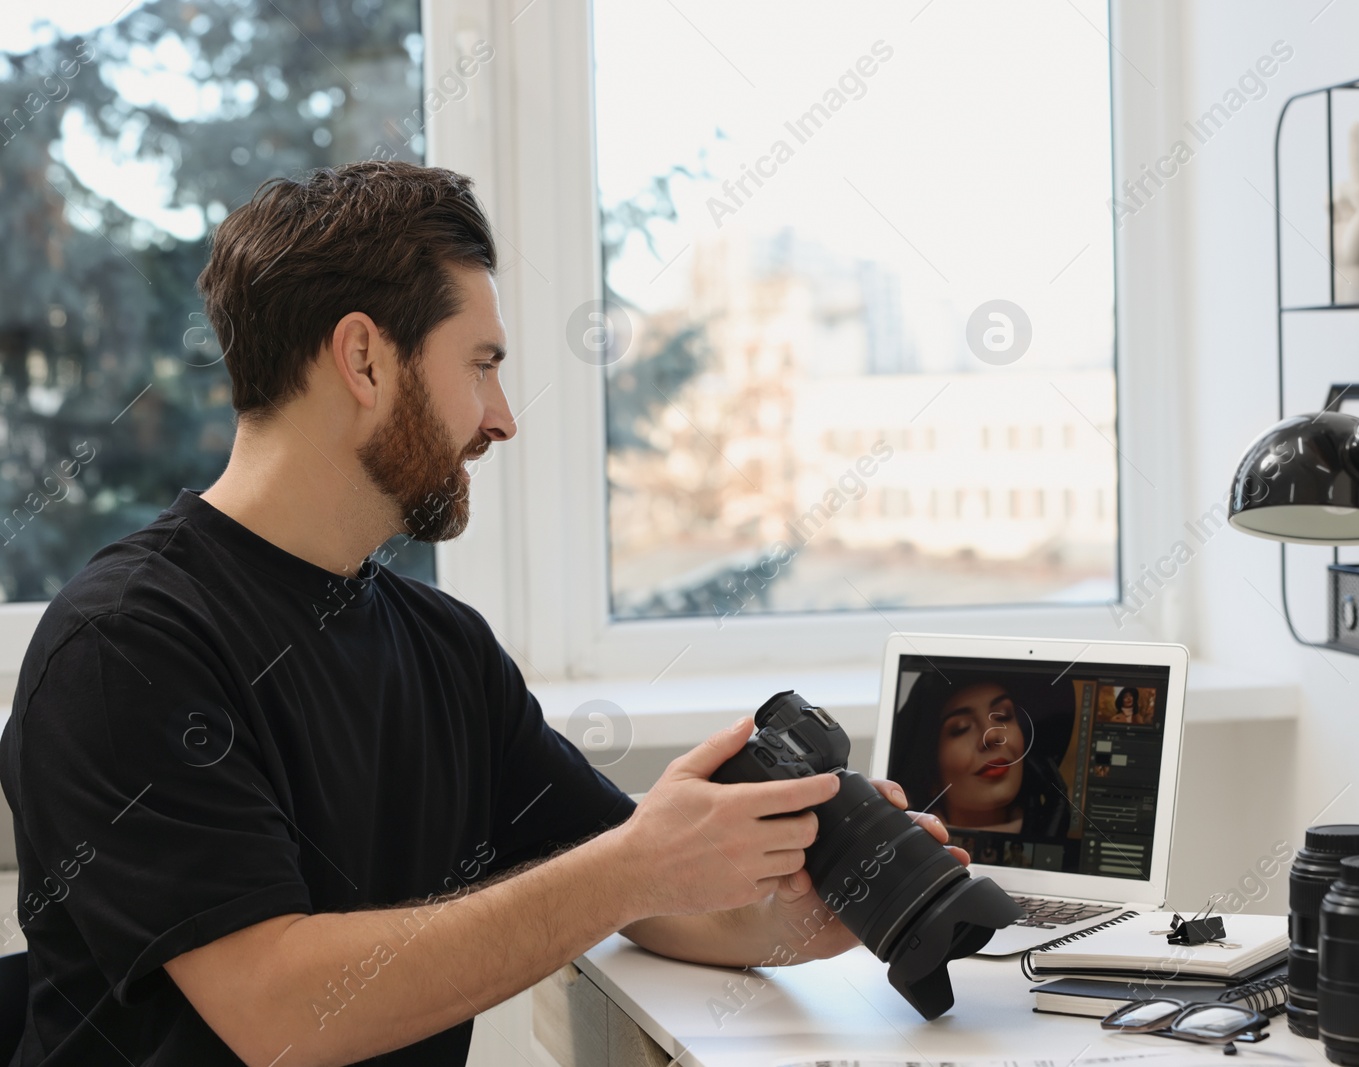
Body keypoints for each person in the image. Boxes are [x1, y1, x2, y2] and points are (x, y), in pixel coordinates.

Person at [0, 161, 962, 1067]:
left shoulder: (444, 648)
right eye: (481, 363)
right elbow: (277, 1011)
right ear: (365, 358)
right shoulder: (125, 646)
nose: (503, 416)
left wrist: (809, 911)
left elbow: (642, 899)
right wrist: (635, 864)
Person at [887, 671, 1074, 843]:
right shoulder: (903, 849)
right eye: (961, 728)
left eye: (1003, 716)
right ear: (930, 771)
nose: (991, 736)